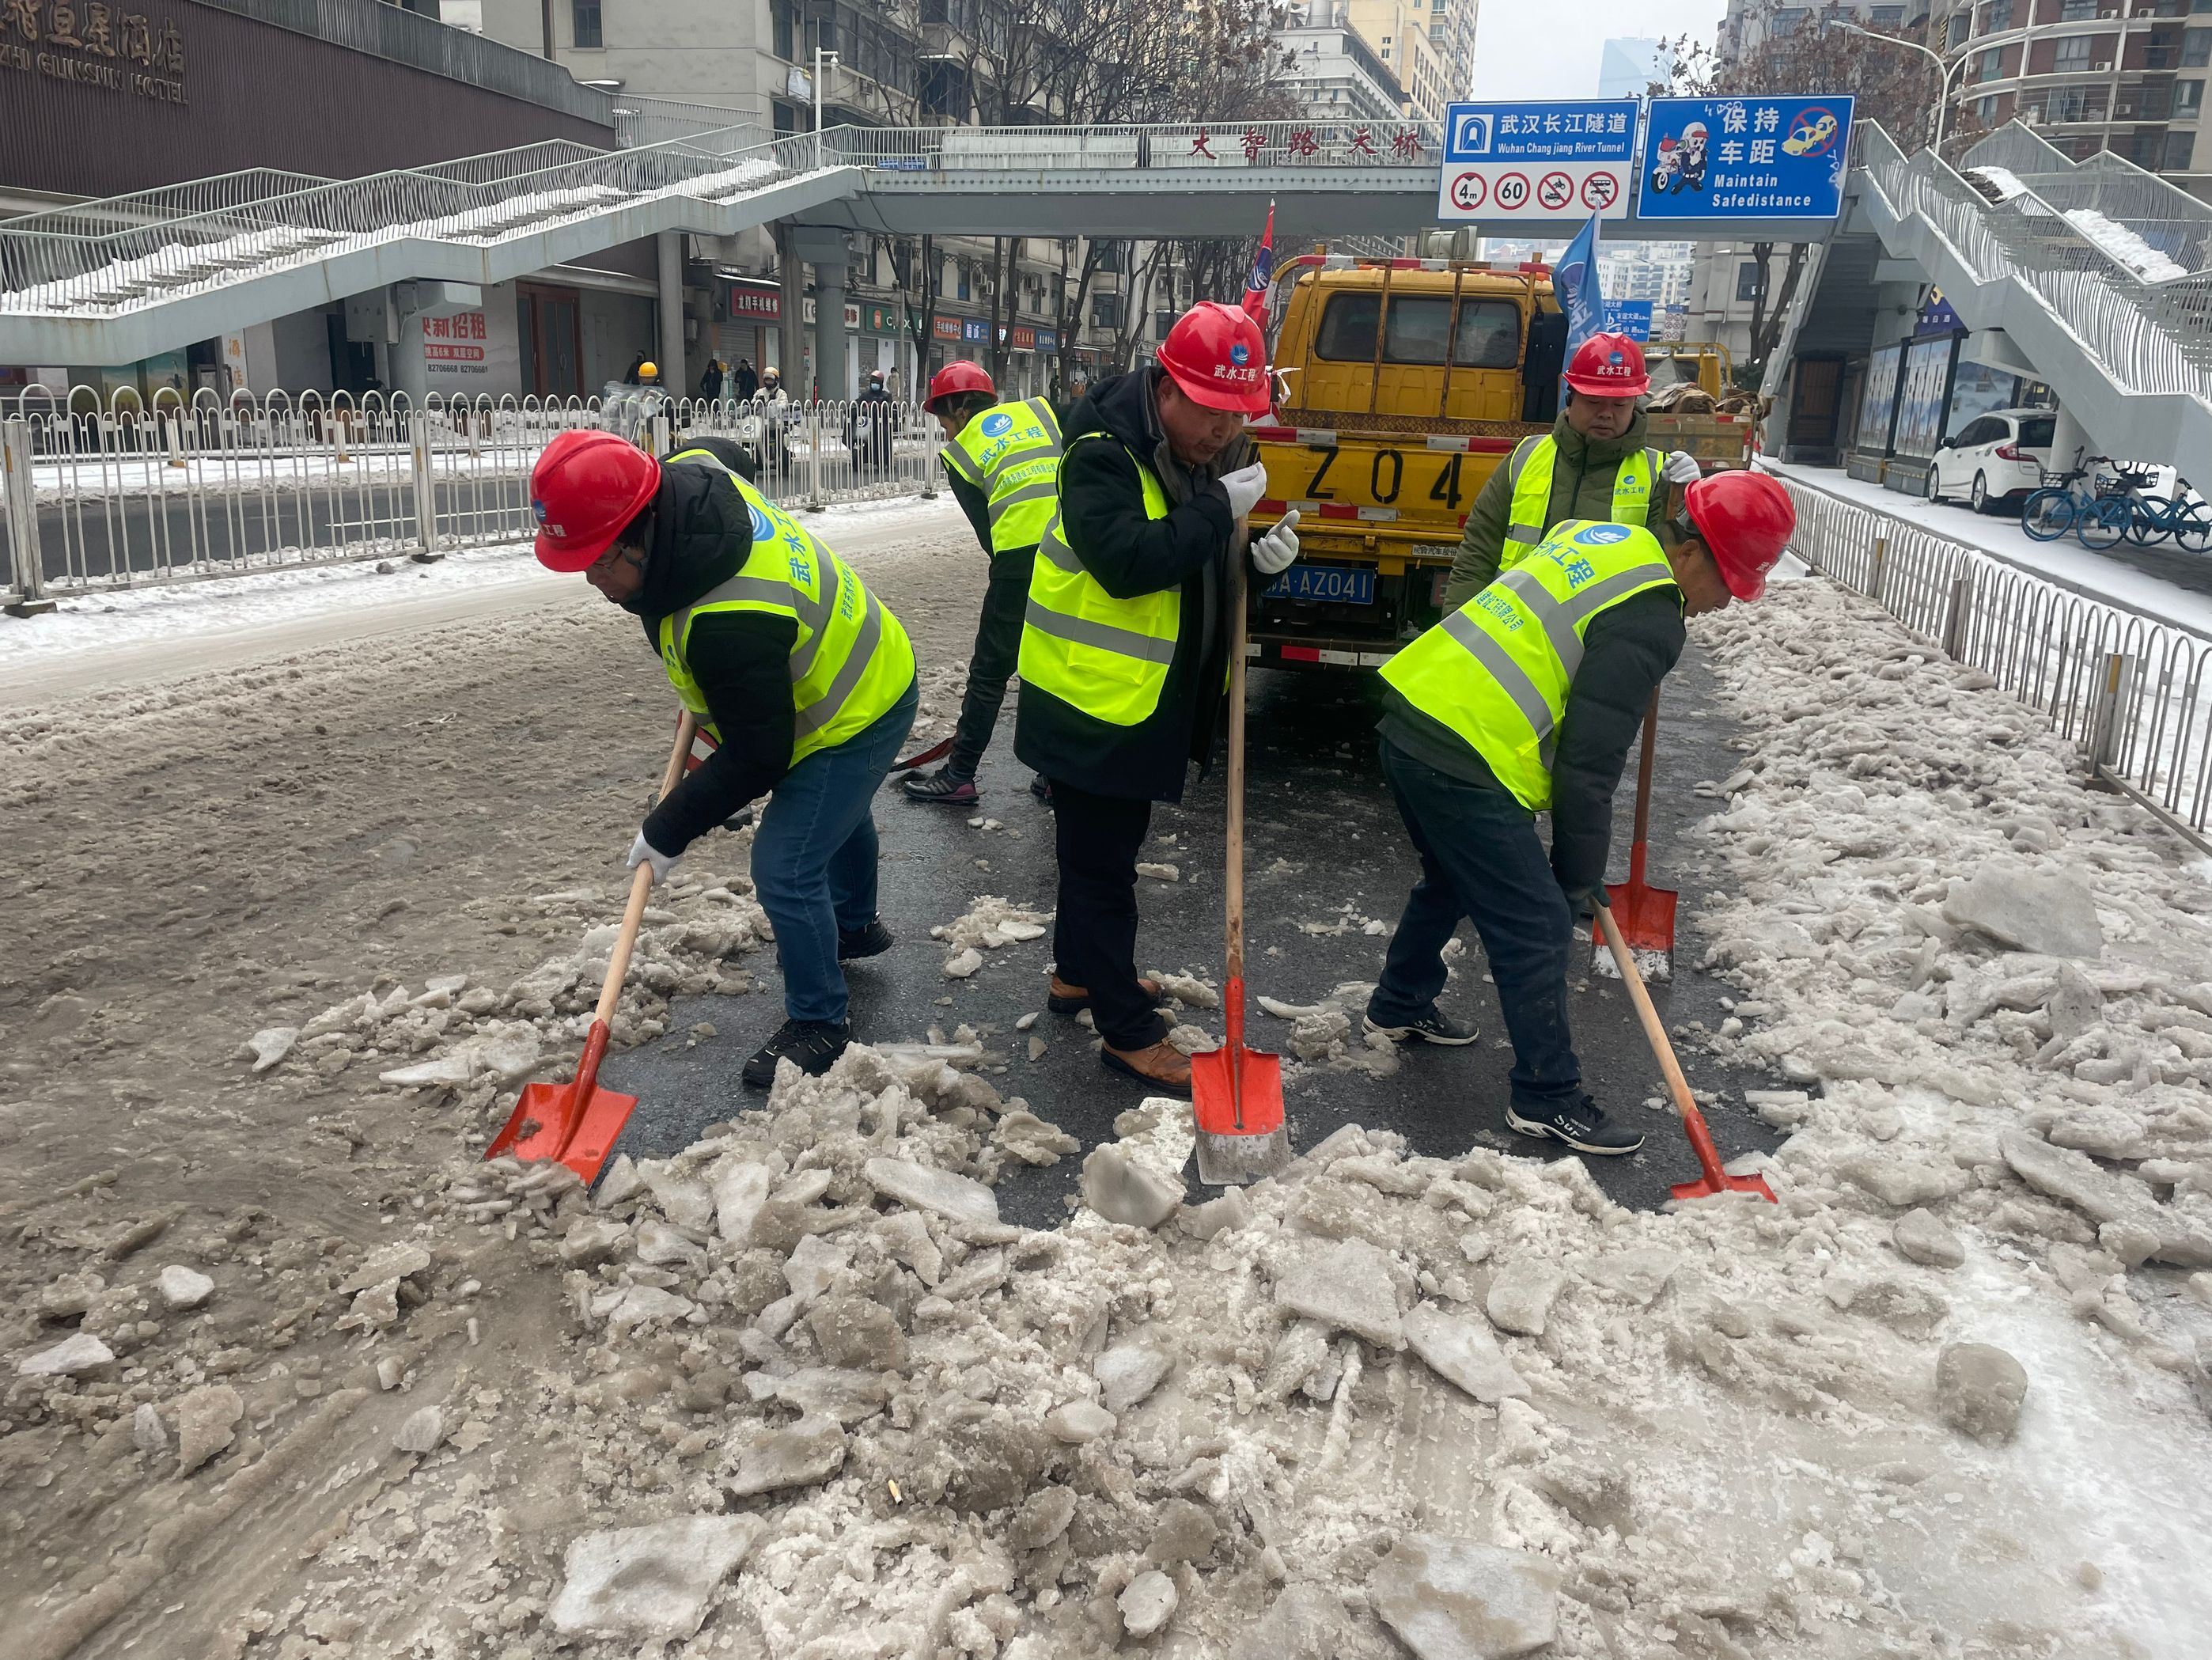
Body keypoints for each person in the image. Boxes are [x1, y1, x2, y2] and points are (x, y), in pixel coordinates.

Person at [1363, 471, 1795, 1154]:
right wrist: (1575, 876)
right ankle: (1546, 1096)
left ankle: (1399, 1004)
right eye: (1729, 582)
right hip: (1464, 751)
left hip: (1415, 711)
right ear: (1690, 553)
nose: (1726, 603)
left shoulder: (1610, 538)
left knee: (1451, 877)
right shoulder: (1651, 616)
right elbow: (1590, 765)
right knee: (1535, 923)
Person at [528, 429, 919, 1086]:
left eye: (599, 561)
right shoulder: (686, 478)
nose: (594, 580)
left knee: (786, 863)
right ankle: (852, 927)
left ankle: (821, 1022)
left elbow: (763, 756)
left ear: (642, 530)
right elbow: (721, 455)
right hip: (841, 665)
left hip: (858, 706)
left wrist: (670, 825)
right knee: (838, 815)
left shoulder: (729, 616)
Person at [1013, 301, 1300, 1093]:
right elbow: (1130, 565)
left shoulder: (1195, 457)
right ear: (1167, 387)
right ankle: (1126, 1031)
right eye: (1210, 412)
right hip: (1092, 701)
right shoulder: (1103, 455)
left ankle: (1079, 975)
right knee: (1102, 869)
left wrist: (1257, 568)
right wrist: (1218, 511)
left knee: (1098, 857)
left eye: (1236, 416)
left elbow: (1193, 574)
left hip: (1137, 701)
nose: (1222, 432)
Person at [903, 362, 1062, 807]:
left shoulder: (961, 452)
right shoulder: (1040, 412)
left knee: (990, 671)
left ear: (955, 407)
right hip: (1072, 552)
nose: (945, 432)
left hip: (1019, 560)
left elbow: (988, 531)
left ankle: (960, 775)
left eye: (942, 420)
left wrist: (1011, 572)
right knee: (1049, 664)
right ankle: (1055, 774)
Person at [1445, 333, 1702, 608]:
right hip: (1513, 624)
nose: (1606, 413)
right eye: (1593, 401)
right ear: (1571, 398)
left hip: (1602, 633)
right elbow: (1478, 552)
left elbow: (1672, 568)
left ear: (1635, 405)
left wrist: (1687, 507)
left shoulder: (1657, 475)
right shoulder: (1525, 457)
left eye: (1619, 404)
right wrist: (1454, 631)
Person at [853, 370, 896, 475]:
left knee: (885, 437)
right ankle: (858, 457)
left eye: (877, 383)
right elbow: (856, 403)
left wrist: (882, 407)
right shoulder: (866, 395)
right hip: (867, 423)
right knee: (858, 435)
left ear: (881, 384)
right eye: (873, 382)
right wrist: (853, 407)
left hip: (881, 424)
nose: (875, 385)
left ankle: (886, 460)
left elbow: (891, 408)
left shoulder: (886, 396)